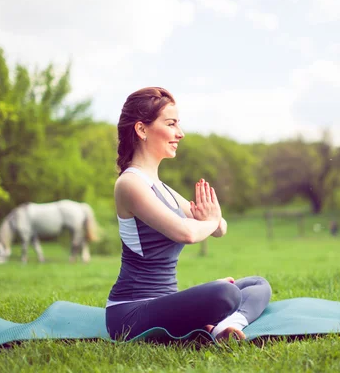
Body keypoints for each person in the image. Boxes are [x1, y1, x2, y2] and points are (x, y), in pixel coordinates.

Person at [105, 87, 272, 342]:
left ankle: (224, 328)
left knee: (258, 285)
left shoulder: (162, 188)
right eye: (171, 124)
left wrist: (213, 220)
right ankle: (216, 322)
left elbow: (219, 228)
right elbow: (187, 233)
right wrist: (211, 221)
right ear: (141, 130)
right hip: (130, 312)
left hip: (165, 302)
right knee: (224, 294)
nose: (180, 134)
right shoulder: (130, 184)